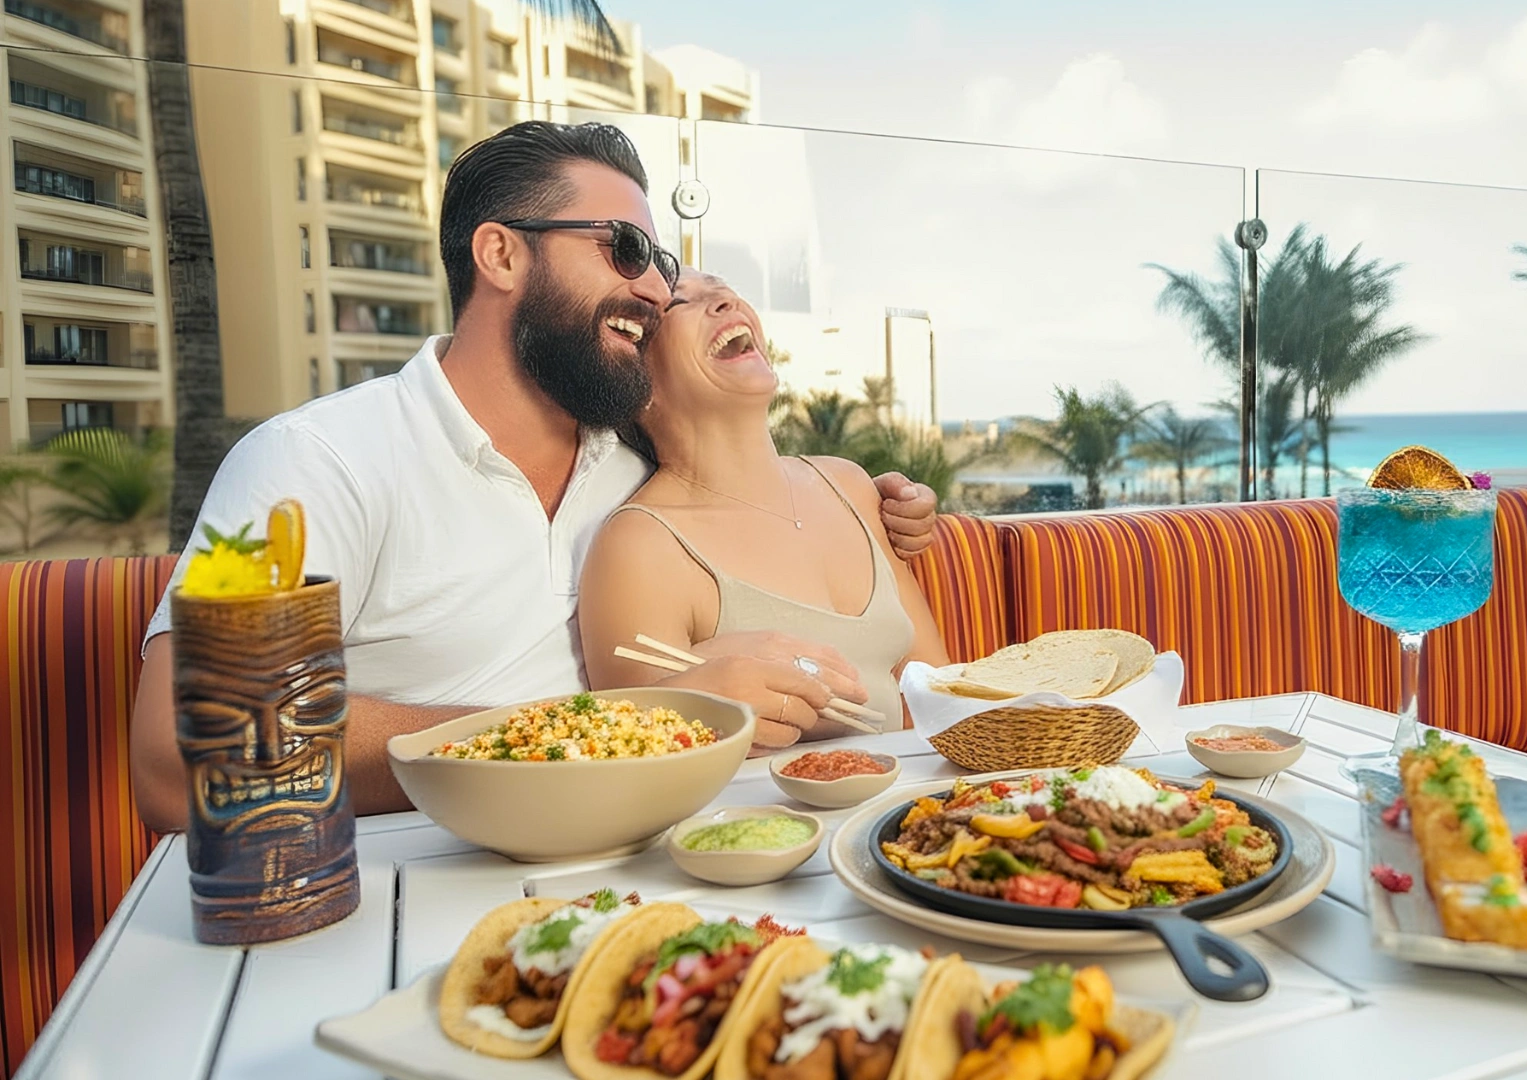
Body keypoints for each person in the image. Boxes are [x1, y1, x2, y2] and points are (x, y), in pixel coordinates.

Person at [128, 122, 939, 834]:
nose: (656, 287)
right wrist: (621, 723)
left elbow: (761, 493)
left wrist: (893, 510)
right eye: (624, 249)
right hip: (401, 887)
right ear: (502, 253)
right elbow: (185, 753)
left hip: (641, 869)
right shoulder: (315, 463)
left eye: (658, 261)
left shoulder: (635, 471)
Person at [579, 272, 952, 733]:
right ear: (639, 385)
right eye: (680, 303)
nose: (725, 302)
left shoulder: (850, 485)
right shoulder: (640, 549)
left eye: (725, 290)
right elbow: (646, 755)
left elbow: (941, 694)